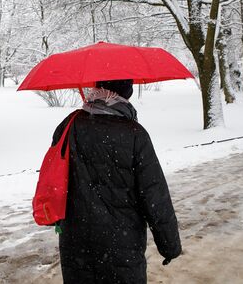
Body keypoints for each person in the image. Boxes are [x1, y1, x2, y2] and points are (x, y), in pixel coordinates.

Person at [52, 79, 181, 284]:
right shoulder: (135, 134)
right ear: (125, 94)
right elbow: (154, 194)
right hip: (121, 244)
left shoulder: (69, 125)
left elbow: (55, 176)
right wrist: (169, 245)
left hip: (75, 241)